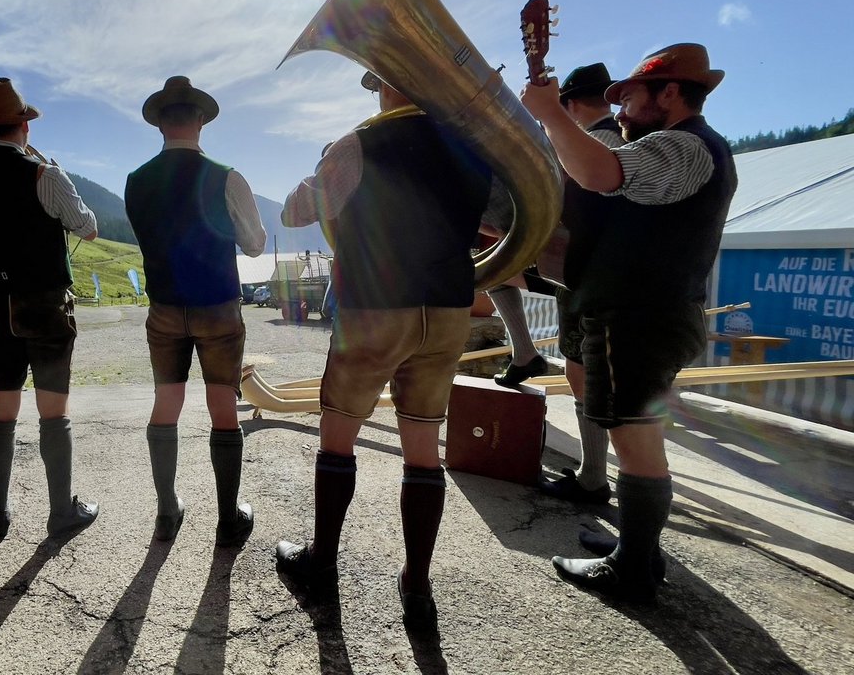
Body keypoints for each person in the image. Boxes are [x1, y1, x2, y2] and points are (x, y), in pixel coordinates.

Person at [520, 43, 737, 601]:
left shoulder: (686, 147)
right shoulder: (682, 147)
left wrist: (547, 113)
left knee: (637, 442)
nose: (619, 111)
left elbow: (597, 172)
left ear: (670, 92)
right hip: (645, 313)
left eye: (632, 96)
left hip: (641, 315)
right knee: (635, 435)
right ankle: (638, 552)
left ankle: (634, 571)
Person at [275, 72, 492, 629]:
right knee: (423, 443)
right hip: (445, 309)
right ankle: (417, 587)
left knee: (338, 433)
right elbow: (493, 221)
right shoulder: (474, 144)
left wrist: (321, 163)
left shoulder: (359, 143)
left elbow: (296, 212)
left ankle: (322, 562)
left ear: (383, 88)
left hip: (375, 304)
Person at [0, 78, 100, 539]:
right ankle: (60, 512)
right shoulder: (43, 173)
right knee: (54, 411)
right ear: (24, 126)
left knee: (1, 409)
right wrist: (58, 178)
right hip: (46, 304)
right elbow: (86, 227)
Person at [124, 76, 266, 547]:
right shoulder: (227, 176)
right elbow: (253, 245)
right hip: (218, 308)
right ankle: (228, 518)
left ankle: (167, 513)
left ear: (160, 125)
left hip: (165, 308)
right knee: (222, 407)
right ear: (201, 120)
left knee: (167, 404)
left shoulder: (135, 181)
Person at [536, 63, 626, 506]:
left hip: (592, 275)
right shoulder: (602, 139)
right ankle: (592, 474)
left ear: (570, 105)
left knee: (586, 375)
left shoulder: (600, 141)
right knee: (580, 370)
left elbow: (576, 202)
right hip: (584, 270)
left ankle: (594, 479)